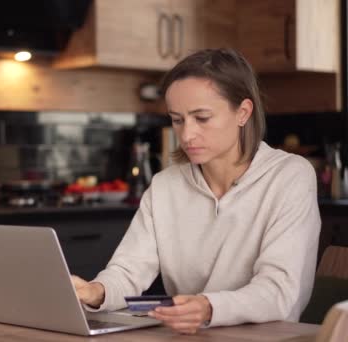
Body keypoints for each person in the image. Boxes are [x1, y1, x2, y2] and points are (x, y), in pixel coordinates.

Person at [71, 48, 321, 334]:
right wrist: (96, 291)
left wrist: (208, 307)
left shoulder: (290, 176)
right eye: (177, 120)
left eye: (201, 118)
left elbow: (279, 291)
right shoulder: (166, 186)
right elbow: (129, 271)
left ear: (243, 112)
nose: (187, 135)